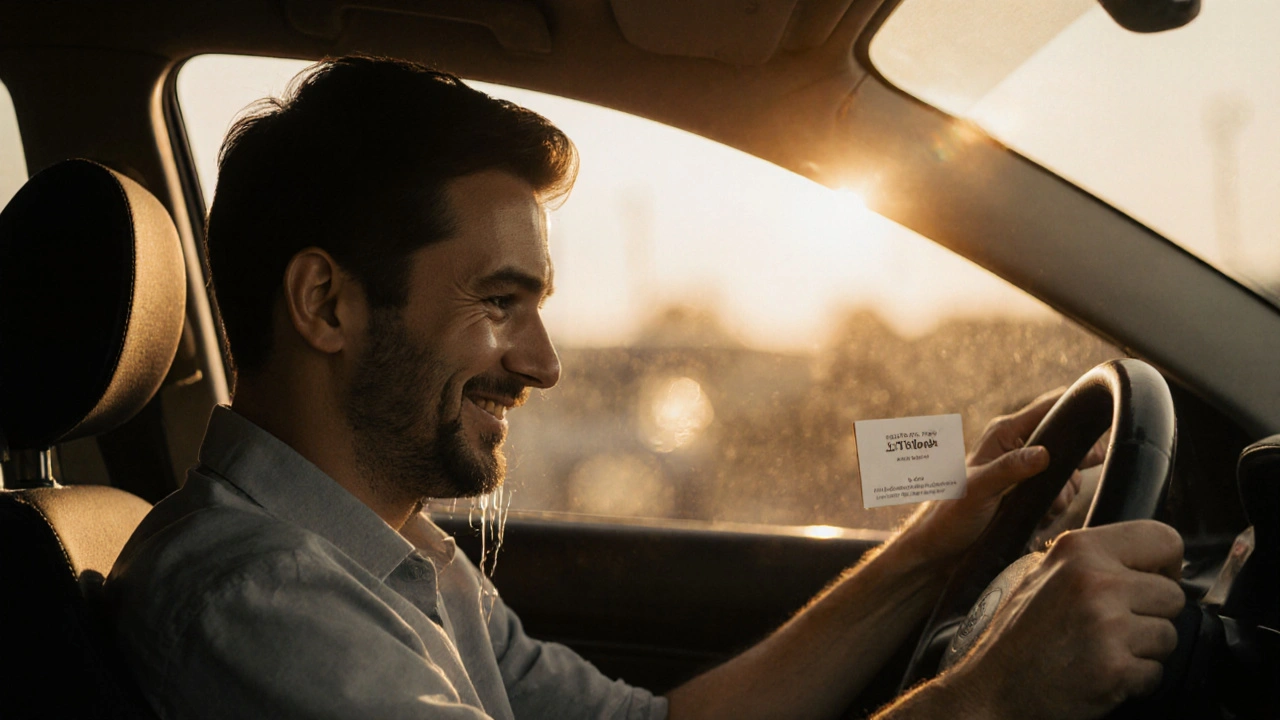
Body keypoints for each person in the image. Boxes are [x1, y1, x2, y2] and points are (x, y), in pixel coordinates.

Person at [107, 56, 1186, 720]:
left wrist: (939, 542)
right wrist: (993, 696)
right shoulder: (252, 600)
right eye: (498, 301)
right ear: (327, 306)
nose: (542, 361)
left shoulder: (393, 556)